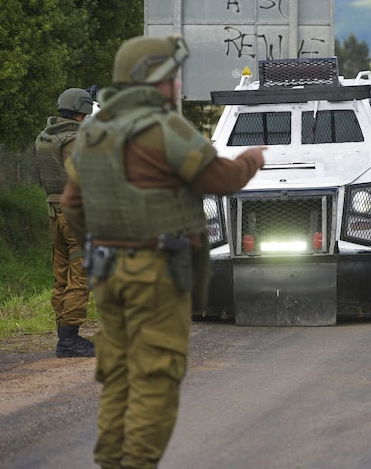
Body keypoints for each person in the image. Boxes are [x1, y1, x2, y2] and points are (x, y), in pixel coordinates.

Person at [61, 34, 265, 468]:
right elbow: (219, 180)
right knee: (156, 375)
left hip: (107, 271)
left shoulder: (93, 131)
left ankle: (112, 461)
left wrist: (98, 245)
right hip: (155, 273)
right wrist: (251, 160)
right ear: (150, 80)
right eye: (170, 76)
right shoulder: (162, 127)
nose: (176, 84)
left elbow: (72, 205)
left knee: (118, 373)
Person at [35, 87, 96, 358]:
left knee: (61, 276)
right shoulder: (77, 139)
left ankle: (65, 335)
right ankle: (69, 341)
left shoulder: (46, 137)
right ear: (83, 110)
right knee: (80, 275)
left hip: (54, 212)